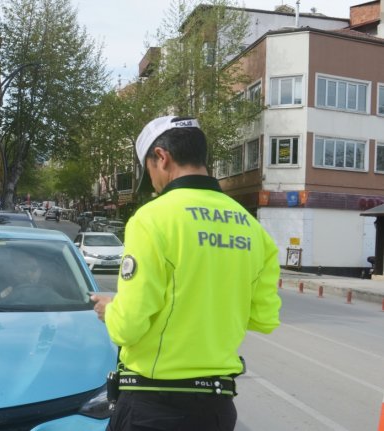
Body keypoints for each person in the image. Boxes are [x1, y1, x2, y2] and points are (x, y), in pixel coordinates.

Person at [90, 116, 281, 431]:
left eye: (148, 172)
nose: (152, 182)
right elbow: (264, 318)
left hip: (155, 406)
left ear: (162, 158)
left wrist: (111, 310)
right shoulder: (252, 228)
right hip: (217, 410)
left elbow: (128, 327)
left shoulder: (151, 219)